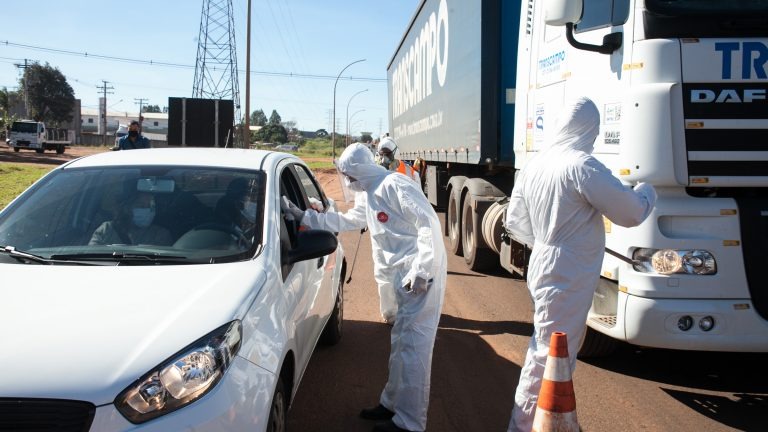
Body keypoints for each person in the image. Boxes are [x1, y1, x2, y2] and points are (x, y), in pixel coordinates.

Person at [503, 97, 657, 432]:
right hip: (568, 269)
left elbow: (516, 222)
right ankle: (527, 423)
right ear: (589, 128)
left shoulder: (536, 164)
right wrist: (647, 192)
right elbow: (630, 212)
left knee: (551, 346)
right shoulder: (582, 165)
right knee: (550, 352)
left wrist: (550, 237)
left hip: (544, 260)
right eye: (596, 129)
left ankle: (544, 418)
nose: (597, 136)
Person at [281, 143, 446, 432]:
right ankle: (391, 404)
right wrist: (305, 216)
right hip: (404, 280)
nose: (346, 180)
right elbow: (346, 220)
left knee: (415, 351)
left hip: (421, 280)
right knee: (400, 346)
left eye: (346, 174)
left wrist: (422, 270)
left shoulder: (395, 185)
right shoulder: (370, 195)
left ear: (357, 171)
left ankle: (410, 424)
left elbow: (427, 223)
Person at [89, 191, 172, 246]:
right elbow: (91, 255)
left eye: (151, 207)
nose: (147, 210)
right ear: (127, 208)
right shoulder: (107, 229)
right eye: (141, 206)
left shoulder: (160, 234)